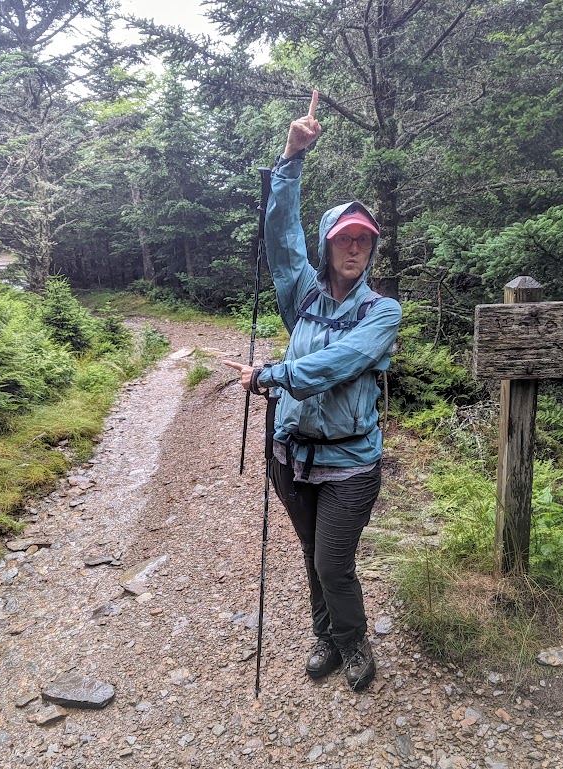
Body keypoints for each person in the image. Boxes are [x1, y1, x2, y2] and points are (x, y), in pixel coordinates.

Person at [223, 91, 402, 692]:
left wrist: (271, 375)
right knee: (310, 554)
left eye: (365, 240)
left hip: (350, 461)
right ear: (327, 244)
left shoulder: (383, 312)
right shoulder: (300, 292)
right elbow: (279, 236)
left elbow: (336, 364)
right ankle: (325, 633)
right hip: (292, 452)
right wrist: (291, 158)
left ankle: (353, 645)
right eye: (344, 238)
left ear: (372, 248)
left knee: (333, 561)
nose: (355, 247)